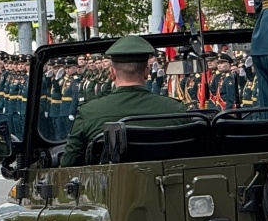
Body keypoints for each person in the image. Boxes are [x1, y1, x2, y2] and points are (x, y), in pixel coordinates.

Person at [60, 36, 187, 167]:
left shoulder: (89, 113)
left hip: (110, 186)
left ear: (111, 73)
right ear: (147, 72)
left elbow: (69, 164)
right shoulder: (175, 110)